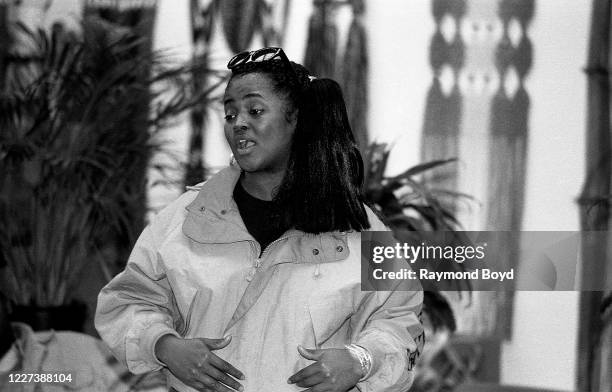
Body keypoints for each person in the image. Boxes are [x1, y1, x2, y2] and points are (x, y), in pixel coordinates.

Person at [95, 47, 423, 392]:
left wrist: (361, 360)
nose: (239, 123)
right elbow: (128, 300)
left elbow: (401, 318)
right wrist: (164, 345)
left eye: (254, 110)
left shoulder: (355, 226)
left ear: (296, 118)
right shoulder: (188, 215)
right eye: (230, 113)